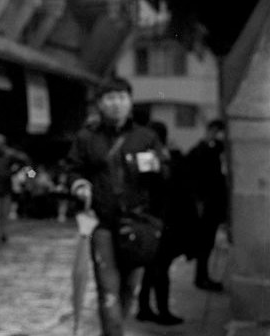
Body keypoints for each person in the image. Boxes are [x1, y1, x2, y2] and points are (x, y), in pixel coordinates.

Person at [68, 77, 167, 336]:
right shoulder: (86, 137)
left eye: (122, 98)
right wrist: (79, 184)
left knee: (127, 290)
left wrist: (157, 167)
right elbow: (73, 169)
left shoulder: (146, 137)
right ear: (100, 104)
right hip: (101, 223)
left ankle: (113, 332)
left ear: (130, 102)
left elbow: (165, 176)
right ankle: (113, 331)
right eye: (110, 98)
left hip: (137, 226)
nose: (116, 104)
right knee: (107, 291)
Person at [137, 120, 193, 326]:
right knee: (159, 268)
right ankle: (160, 311)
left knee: (154, 267)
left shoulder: (160, 157)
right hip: (160, 220)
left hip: (162, 219)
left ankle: (145, 307)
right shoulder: (154, 157)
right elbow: (154, 185)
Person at [187, 118, 228, 292]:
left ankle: (203, 277)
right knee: (204, 243)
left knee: (207, 243)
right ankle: (201, 277)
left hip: (212, 202)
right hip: (206, 203)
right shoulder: (202, 150)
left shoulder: (215, 148)